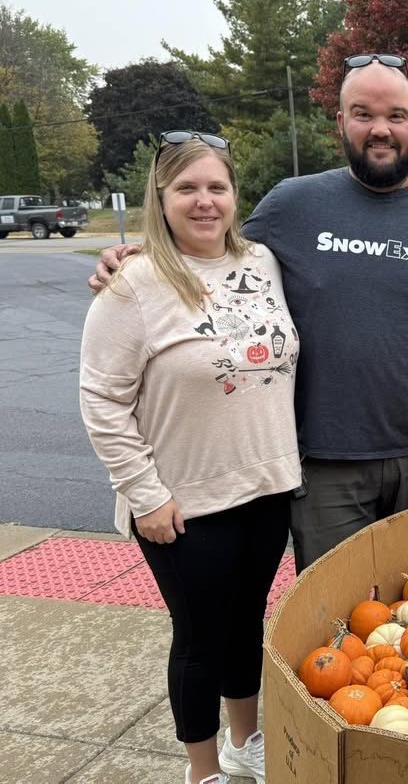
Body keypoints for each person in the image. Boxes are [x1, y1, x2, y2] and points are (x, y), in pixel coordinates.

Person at [91, 54, 408, 573]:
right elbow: (215, 250)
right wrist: (141, 256)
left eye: (395, 115)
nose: (380, 129)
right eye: (363, 114)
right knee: (332, 611)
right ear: (340, 122)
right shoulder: (292, 205)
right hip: (323, 468)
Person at [80, 131, 299, 784]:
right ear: (161, 196)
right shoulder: (133, 285)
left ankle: (243, 742)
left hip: (266, 486)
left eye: (216, 187)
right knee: (200, 638)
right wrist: (143, 494)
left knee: (247, 625)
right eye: (187, 188)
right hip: (183, 503)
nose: (204, 201)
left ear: (234, 196)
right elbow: (101, 400)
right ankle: (202, 771)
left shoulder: (263, 261)